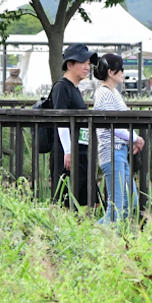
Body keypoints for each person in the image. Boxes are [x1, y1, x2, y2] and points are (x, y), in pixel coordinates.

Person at [88, 51, 145, 224]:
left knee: (130, 202)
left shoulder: (113, 93)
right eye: (120, 69)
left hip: (120, 151)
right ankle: (91, 238)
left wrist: (132, 139)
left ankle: (113, 239)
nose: (123, 72)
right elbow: (112, 125)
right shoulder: (104, 93)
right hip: (112, 152)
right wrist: (135, 138)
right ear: (111, 72)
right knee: (117, 206)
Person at [40, 45, 94, 206]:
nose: (87, 67)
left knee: (87, 199)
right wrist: (68, 151)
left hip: (80, 150)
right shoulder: (62, 87)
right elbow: (61, 120)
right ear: (69, 64)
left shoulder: (75, 89)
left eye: (89, 63)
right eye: (83, 62)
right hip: (66, 153)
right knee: (64, 200)